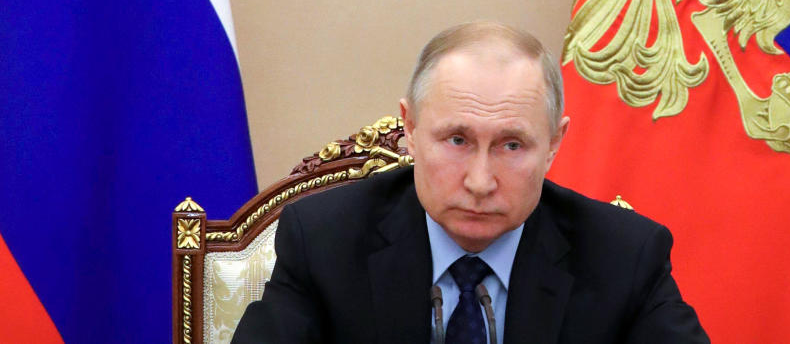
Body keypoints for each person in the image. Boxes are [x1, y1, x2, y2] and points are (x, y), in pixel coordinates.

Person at [233, 21, 708, 343]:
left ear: (555, 143)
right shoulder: (324, 240)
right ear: (412, 130)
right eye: (457, 139)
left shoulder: (624, 256)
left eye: (512, 145)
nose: (480, 182)